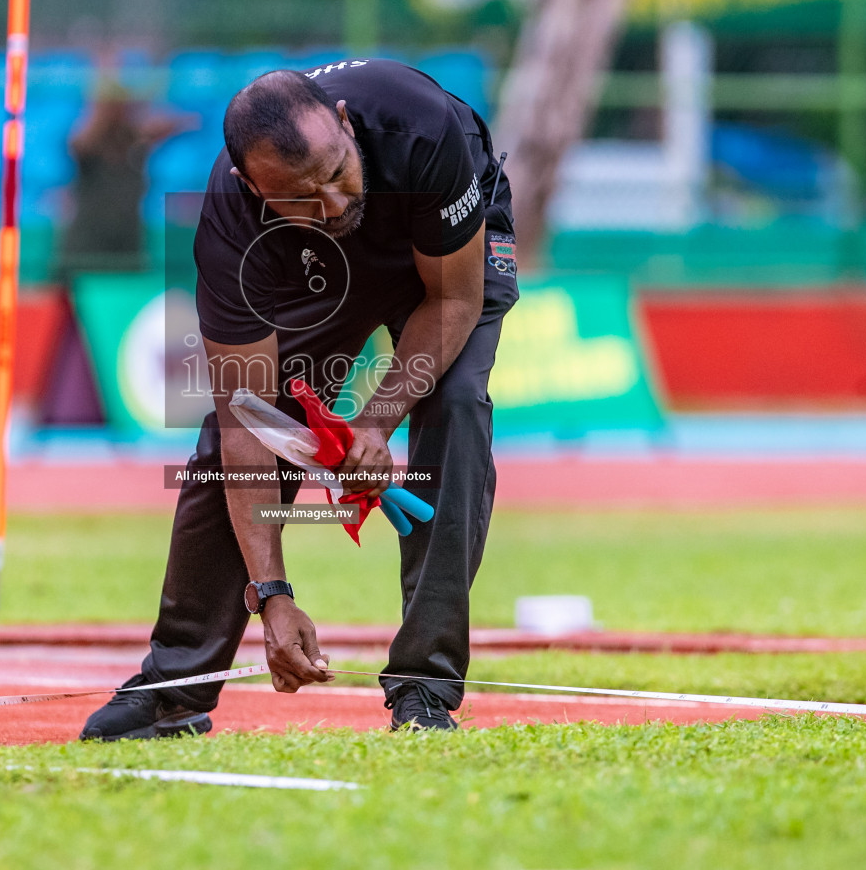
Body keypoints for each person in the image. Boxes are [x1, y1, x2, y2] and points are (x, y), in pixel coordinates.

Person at [79, 58, 518, 740]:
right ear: (251, 187)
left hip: (444, 247)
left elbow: (453, 299)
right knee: (231, 443)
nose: (336, 205)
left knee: (455, 404)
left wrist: (376, 420)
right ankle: (174, 689)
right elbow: (248, 427)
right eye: (304, 197)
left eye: (337, 172)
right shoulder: (232, 227)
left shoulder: (421, 128)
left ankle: (424, 691)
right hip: (315, 267)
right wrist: (273, 597)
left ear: (345, 125)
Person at [53, 79, 192, 281]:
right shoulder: (88, 147)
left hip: (126, 248)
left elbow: (165, 125)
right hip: (85, 251)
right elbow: (79, 142)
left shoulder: (135, 144)